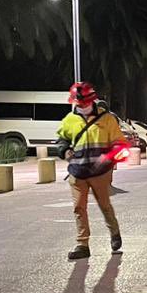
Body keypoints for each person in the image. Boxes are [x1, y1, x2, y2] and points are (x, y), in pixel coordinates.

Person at [53, 81, 124, 261]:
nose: (81, 105)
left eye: (83, 101)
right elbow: (61, 140)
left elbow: (119, 144)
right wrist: (64, 150)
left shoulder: (107, 119)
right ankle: (82, 244)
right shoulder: (69, 119)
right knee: (79, 208)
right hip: (77, 171)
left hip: (100, 172)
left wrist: (107, 158)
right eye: (78, 102)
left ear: (92, 99)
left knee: (104, 205)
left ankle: (114, 233)